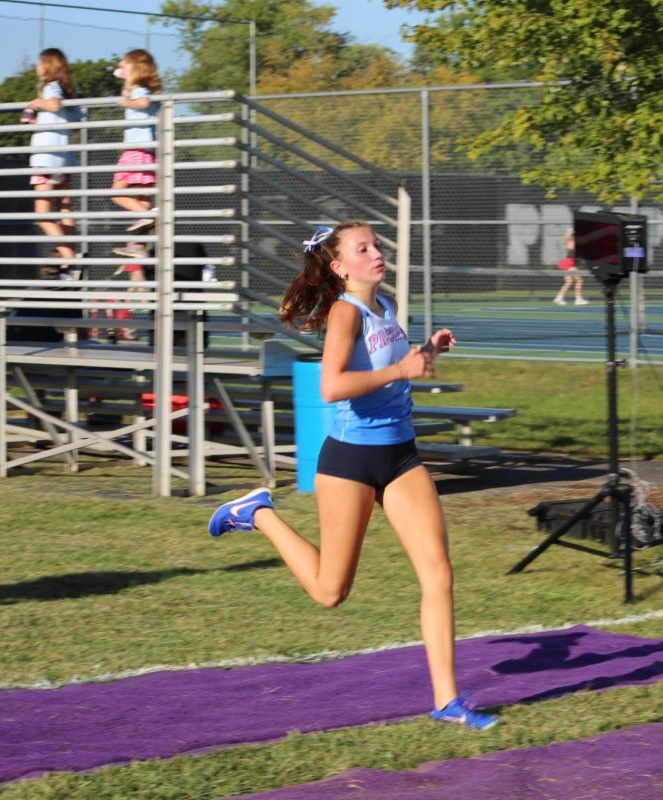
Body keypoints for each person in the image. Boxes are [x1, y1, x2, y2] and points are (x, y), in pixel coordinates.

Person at [206, 222, 497, 731]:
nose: (376, 253)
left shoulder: (388, 308)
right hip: (350, 463)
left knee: (439, 573)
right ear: (340, 267)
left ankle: (447, 700)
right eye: (363, 248)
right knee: (330, 592)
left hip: (401, 457)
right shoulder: (346, 312)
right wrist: (401, 371)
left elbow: (393, 366)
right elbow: (333, 385)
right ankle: (258, 513)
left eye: (377, 245)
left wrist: (427, 350)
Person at [24, 48, 78, 279]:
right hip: (63, 158)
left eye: (39, 64)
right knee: (64, 210)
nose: (36, 68)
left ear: (47, 66)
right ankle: (69, 261)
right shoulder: (69, 93)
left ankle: (71, 260)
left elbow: (53, 105)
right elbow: (75, 120)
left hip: (45, 160)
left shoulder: (50, 88)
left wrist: (36, 103)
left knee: (43, 215)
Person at [109, 49, 162, 263]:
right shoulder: (145, 88)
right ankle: (138, 247)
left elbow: (142, 103)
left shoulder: (140, 91)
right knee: (142, 204)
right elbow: (118, 73)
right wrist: (123, 68)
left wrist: (125, 102)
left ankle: (152, 217)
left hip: (136, 151)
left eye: (127, 65)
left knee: (117, 193)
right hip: (149, 154)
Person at [553, 228, 588, 305]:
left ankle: (559, 297)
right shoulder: (571, 242)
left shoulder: (573, 241)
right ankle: (578, 299)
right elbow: (573, 252)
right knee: (579, 281)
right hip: (569, 264)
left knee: (569, 282)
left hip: (570, 263)